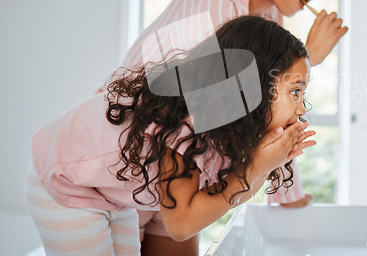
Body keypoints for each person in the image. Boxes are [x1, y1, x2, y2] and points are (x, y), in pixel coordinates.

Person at [99, 0, 362, 253]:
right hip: (125, 168)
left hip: (179, 168)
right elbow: (203, 104)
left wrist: (287, 196)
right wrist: (309, 57)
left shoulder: (269, 22)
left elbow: (271, 114)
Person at [25, 16, 316, 256]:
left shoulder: (225, 129)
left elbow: (224, 195)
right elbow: (181, 223)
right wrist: (256, 167)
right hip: (66, 179)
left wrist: (260, 167)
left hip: (109, 193)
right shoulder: (187, 121)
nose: (301, 107)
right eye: (294, 92)